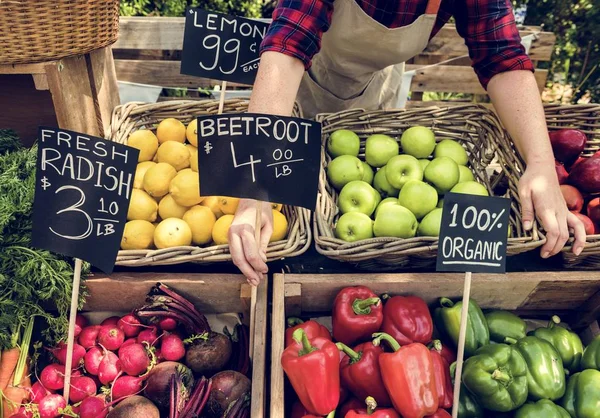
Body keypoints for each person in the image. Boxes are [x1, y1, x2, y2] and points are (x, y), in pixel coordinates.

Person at [228, 0, 587, 284]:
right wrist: (256, 182)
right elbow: (290, 39)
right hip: (302, 84)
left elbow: (502, 54)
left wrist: (541, 165)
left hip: (375, 87)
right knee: (305, 210)